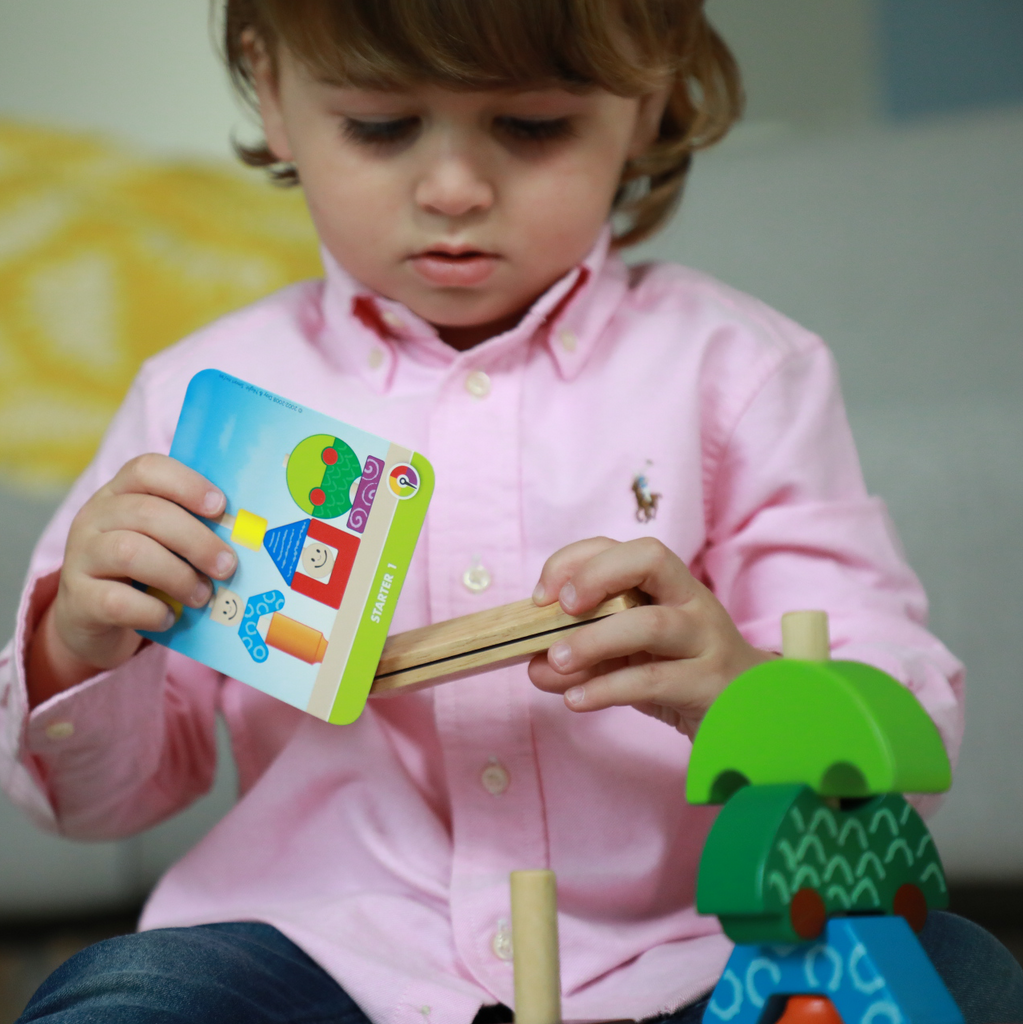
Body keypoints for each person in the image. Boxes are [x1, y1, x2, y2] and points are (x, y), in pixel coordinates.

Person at [2, 1, 1021, 1022]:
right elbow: (101, 804)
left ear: (647, 99)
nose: (454, 189)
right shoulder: (199, 404)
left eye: (532, 127)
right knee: (126, 995)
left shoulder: (741, 372)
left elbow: (899, 748)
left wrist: (744, 695)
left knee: (955, 971)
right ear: (271, 92)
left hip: (695, 952)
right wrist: (78, 644)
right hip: (324, 950)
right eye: (381, 126)